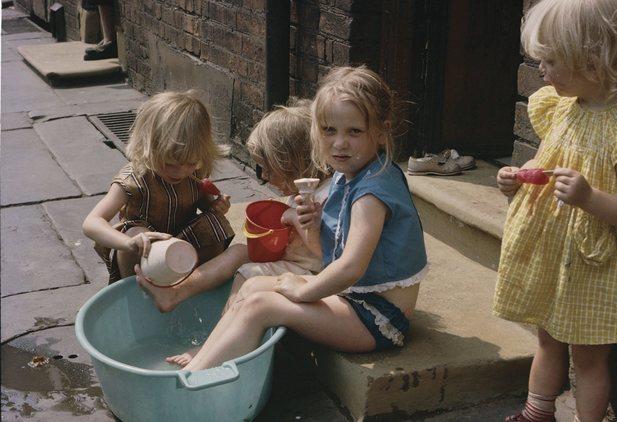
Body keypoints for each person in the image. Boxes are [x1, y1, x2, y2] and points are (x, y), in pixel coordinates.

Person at [167, 65, 428, 371]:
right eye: (329, 130)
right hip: (353, 300)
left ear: (381, 133)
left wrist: (303, 290)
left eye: (354, 131)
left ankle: (190, 383)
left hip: (377, 318)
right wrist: (315, 227)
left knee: (261, 305)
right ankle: (206, 357)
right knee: (252, 287)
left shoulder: (371, 193)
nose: (339, 143)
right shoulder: (351, 174)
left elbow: (351, 267)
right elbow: (325, 255)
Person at [493, 1, 617, 421]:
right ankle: (537, 412)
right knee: (546, 337)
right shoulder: (562, 109)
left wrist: (588, 198)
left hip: (596, 265)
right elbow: (549, 163)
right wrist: (517, 178)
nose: (541, 68)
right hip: (557, 257)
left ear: (591, 63)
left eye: (551, 60)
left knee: (589, 358)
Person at [134, 98, 331, 319]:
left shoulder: (323, 199)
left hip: (310, 273)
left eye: (268, 169)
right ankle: (176, 293)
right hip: (292, 260)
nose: (264, 177)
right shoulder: (301, 194)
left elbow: (325, 253)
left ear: (291, 163)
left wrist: (294, 218)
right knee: (239, 251)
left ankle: (221, 334)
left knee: (248, 274)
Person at [82, 90, 234, 284]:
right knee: (138, 234)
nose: (179, 171)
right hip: (142, 252)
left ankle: (197, 285)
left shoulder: (194, 173)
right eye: (169, 163)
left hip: (181, 248)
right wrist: (128, 243)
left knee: (214, 224)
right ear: (149, 147)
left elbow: (205, 205)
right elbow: (91, 223)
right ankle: (135, 294)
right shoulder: (134, 179)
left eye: (190, 163)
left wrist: (216, 206)